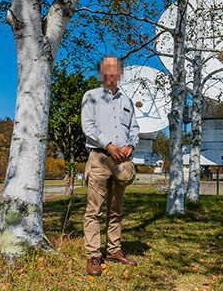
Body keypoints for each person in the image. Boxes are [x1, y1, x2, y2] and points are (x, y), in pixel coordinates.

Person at [81, 55, 140, 277]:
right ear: (102, 73)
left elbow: (134, 128)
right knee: (93, 210)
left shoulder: (127, 101)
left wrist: (130, 146)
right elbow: (88, 126)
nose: (111, 74)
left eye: (114, 70)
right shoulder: (92, 97)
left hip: (121, 162)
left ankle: (114, 250)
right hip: (99, 157)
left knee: (116, 209)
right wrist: (109, 145)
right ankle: (93, 255)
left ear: (119, 73)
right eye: (106, 70)